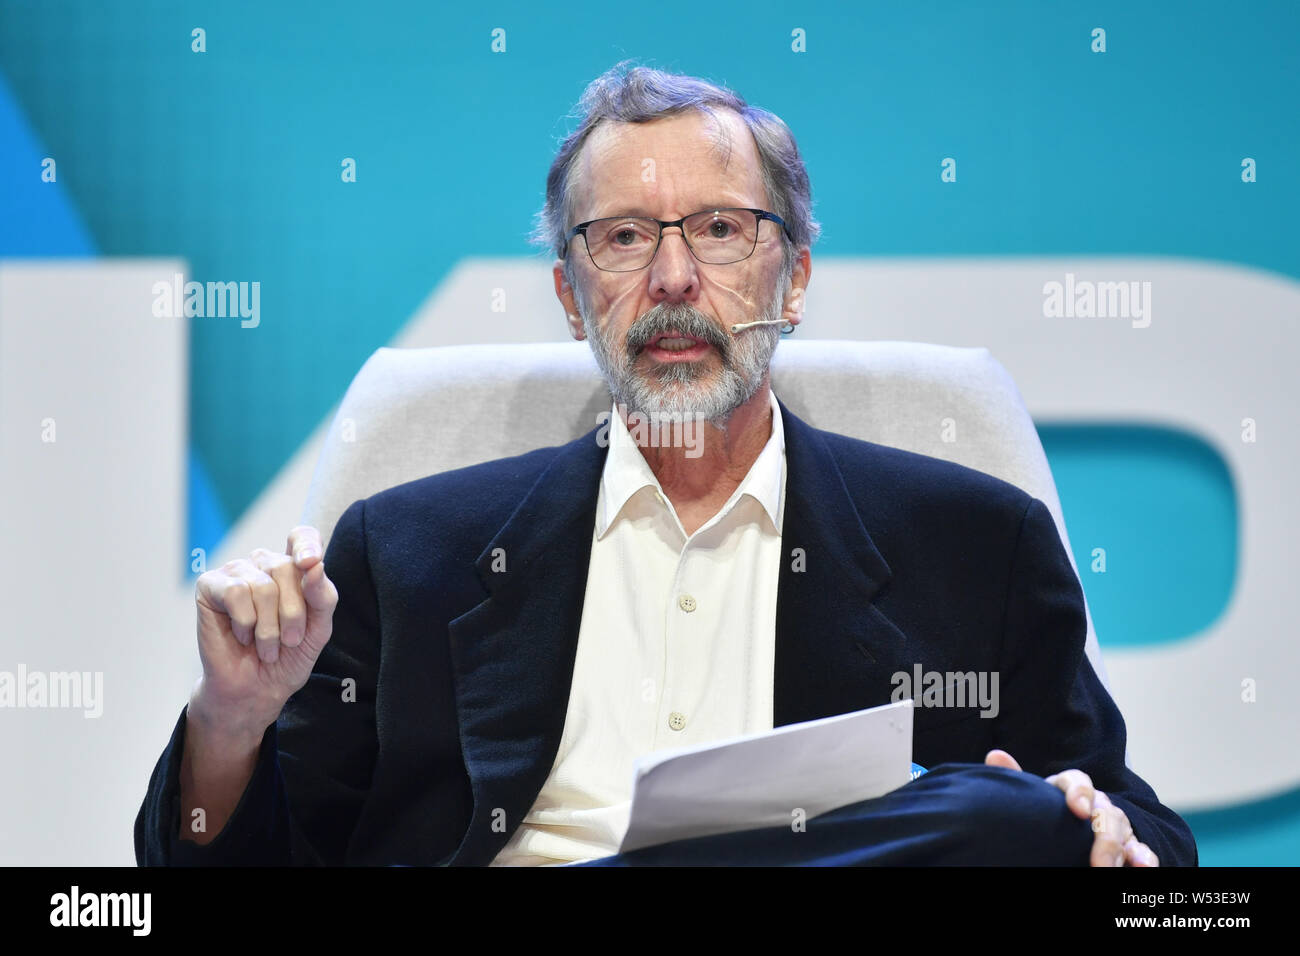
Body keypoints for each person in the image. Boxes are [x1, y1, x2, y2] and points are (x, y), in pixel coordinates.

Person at [135, 63, 1197, 867]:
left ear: (793, 277)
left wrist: (1091, 829)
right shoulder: (408, 551)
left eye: (723, 230)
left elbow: (1151, 849)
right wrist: (231, 722)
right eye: (625, 237)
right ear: (570, 294)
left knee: (1003, 816)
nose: (675, 278)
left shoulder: (975, 541)